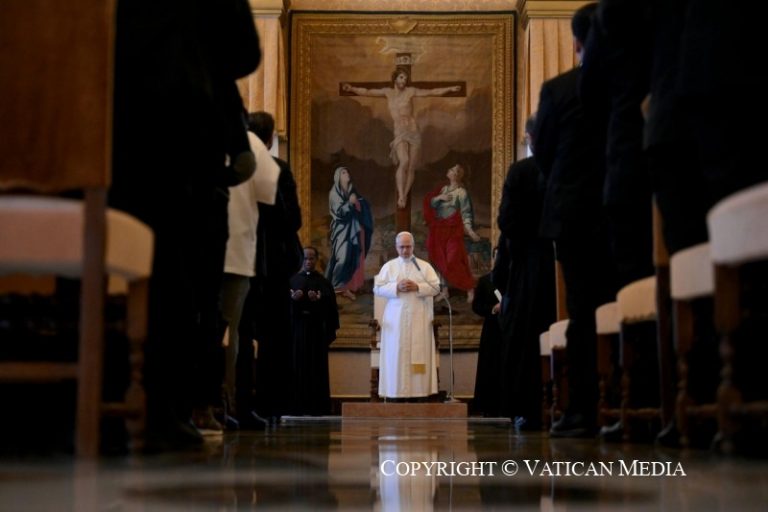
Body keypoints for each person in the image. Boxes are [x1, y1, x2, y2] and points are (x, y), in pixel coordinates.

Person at [109, 0, 261, 448]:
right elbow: (242, 53)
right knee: (180, 285)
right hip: (184, 145)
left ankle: (95, 399)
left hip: (107, 134)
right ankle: (161, 410)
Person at [532, 2, 618, 437]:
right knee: (621, 297)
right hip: (617, 204)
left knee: (583, 309)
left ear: (576, 42)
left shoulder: (559, 89)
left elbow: (543, 151)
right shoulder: (624, 80)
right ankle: (626, 396)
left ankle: (583, 408)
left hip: (571, 211)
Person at [237, 111, 303, 427]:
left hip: (241, 256)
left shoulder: (233, 164)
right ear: (270, 138)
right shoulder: (277, 169)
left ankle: (238, 402)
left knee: (240, 331)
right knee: (273, 337)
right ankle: (270, 405)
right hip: (273, 264)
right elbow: (292, 220)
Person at [495, 115, 556, 429]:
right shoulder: (564, 165)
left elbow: (507, 221)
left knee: (526, 338)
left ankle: (529, 410)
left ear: (530, 138)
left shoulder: (521, 171)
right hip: (562, 260)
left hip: (530, 264)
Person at [219, 123, 280, 428]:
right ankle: (220, 404)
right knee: (228, 332)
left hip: (198, 247)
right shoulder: (252, 143)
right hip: (235, 250)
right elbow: (268, 194)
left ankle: (193, 406)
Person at [342, 68, 461, 208]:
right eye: (401, 77)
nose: (403, 81)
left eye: (405, 78)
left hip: (413, 130)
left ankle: (404, 194)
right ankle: (401, 196)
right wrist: (352, 88)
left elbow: (432, 91)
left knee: (411, 166)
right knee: (404, 161)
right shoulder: (387, 92)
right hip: (400, 131)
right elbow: (367, 92)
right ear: (395, 78)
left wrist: (450, 88)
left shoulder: (411, 91)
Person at [373, 232, 441, 399]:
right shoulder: (389, 266)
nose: (405, 250)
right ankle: (395, 392)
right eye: (401, 247)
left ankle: (419, 392)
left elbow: (436, 288)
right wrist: (396, 287)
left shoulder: (424, 266)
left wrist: (418, 287)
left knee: (418, 352)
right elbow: (377, 288)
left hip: (419, 317)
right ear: (396, 247)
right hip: (395, 320)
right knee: (396, 352)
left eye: (408, 246)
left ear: (413, 246)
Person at [289, 247, 340, 415]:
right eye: (305, 258)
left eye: (311, 258)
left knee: (316, 368)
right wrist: (292, 300)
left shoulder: (324, 283)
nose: (308, 262)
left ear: (316, 260)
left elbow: (331, 310)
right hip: (297, 330)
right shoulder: (292, 280)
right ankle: (296, 406)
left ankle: (317, 407)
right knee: (296, 366)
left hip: (316, 331)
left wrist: (320, 300)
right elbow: (283, 308)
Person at [423, 163, 481, 303]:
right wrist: (439, 198)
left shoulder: (461, 192)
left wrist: (470, 230)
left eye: (455, 170)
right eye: (451, 169)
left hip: (453, 230)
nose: (452, 171)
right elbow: (431, 204)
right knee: (438, 259)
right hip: (438, 230)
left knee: (453, 260)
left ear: (458, 175)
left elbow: (466, 213)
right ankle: (444, 291)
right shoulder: (443, 189)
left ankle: (469, 288)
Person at [325, 166, 374, 300]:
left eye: (347, 171)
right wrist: (350, 203)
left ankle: (346, 287)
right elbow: (339, 212)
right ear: (338, 177)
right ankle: (335, 286)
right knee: (342, 257)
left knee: (353, 257)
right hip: (342, 230)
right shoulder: (334, 193)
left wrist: (358, 203)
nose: (347, 174)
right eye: (343, 172)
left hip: (354, 229)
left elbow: (362, 204)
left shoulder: (352, 190)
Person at [471, 247, 502, 417]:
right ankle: (490, 406)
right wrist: (493, 309)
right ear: (493, 258)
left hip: (510, 328)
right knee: (490, 366)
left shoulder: (514, 279)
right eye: (497, 256)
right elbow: (476, 306)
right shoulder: (485, 281)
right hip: (492, 329)